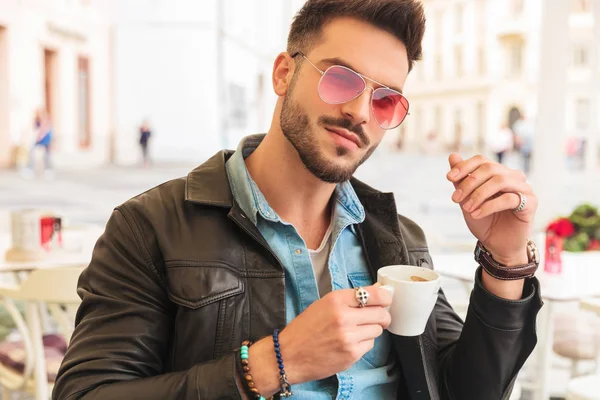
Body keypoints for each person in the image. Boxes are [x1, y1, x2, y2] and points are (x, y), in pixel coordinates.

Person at [54, 1, 543, 399]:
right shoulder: (152, 228)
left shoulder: (397, 239)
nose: (357, 112)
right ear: (284, 74)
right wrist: (268, 365)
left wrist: (504, 262)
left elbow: (467, 391)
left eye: (384, 99)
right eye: (340, 79)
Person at [22, 108, 53, 179]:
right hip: (38, 138)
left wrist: (40, 136)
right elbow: (34, 128)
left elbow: (45, 129)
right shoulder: (36, 120)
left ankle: (48, 170)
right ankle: (29, 168)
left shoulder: (45, 119)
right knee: (32, 152)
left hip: (45, 138)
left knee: (46, 155)